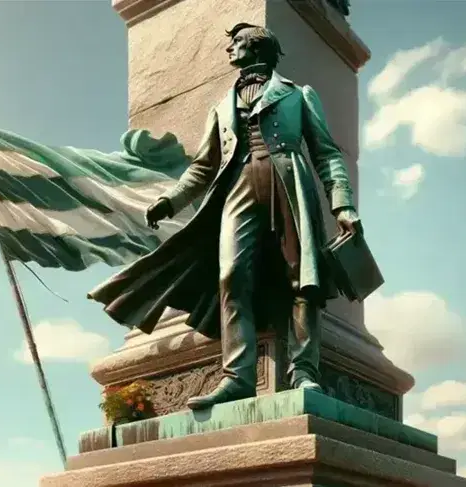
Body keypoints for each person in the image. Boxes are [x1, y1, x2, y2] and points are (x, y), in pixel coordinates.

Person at [88, 22, 362, 410]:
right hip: (238, 189)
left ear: (256, 47)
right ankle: (238, 376)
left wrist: (343, 204)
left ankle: (304, 371)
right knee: (231, 275)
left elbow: (328, 153)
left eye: (236, 44)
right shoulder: (221, 106)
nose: (229, 51)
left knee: (302, 279)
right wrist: (171, 200)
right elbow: (203, 167)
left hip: (289, 184)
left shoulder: (298, 95)